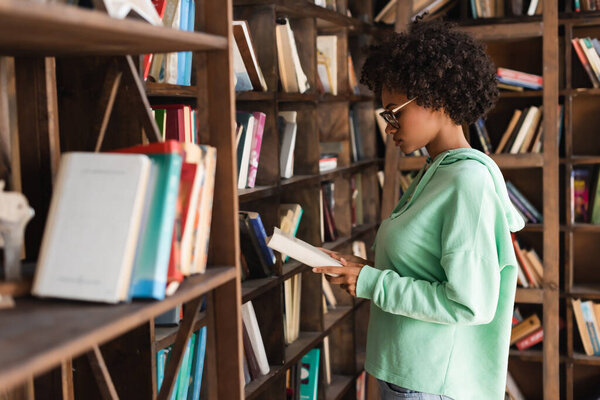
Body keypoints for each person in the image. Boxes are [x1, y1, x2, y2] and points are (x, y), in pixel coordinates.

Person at [312, 17, 525, 400]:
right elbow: (424, 272)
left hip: (428, 384)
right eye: (385, 115)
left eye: (394, 111)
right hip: (409, 374)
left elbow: (469, 304)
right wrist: (364, 271)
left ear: (437, 98)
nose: (389, 126)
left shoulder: (466, 183)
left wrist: (370, 283)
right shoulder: (437, 173)